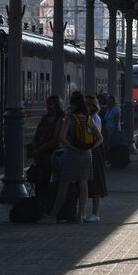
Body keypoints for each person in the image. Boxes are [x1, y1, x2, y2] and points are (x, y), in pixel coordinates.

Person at [42, 93, 103, 223]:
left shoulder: (70, 118)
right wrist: (89, 148)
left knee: (63, 185)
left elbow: (62, 138)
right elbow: (100, 138)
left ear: (74, 104)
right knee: (83, 184)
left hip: (72, 155)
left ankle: (53, 215)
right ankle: (81, 216)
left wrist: (73, 148)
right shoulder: (88, 118)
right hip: (87, 155)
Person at [32, 95, 65, 209]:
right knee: (39, 180)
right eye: (47, 104)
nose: (48, 106)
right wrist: (35, 148)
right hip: (41, 155)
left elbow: (55, 140)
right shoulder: (44, 118)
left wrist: (39, 150)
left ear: (57, 106)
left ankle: (48, 206)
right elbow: (36, 135)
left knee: (49, 180)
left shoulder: (60, 120)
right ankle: (39, 204)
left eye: (51, 104)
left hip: (52, 155)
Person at [85, 96, 108, 223]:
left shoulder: (94, 118)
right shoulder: (89, 118)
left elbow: (95, 136)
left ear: (93, 106)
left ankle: (95, 213)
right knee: (86, 182)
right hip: (89, 151)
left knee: (96, 182)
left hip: (94, 151)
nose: (86, 107)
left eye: (88, 105)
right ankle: (84, 212)